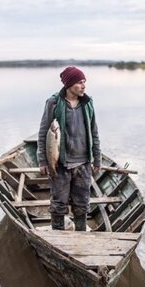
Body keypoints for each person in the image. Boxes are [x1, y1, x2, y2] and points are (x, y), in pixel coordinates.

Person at [37, 66, 101, 231]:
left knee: (82, 205)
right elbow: (44, 132)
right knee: (58, 205)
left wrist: (97, 158)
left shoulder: (88, 103)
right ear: (70, 84)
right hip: (61, 164)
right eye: (80, 82)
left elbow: (94, 132)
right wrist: (43, 160)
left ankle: (81, 235)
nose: (83, 86)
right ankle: (57, 237)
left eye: (84, 82)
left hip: (83, 163)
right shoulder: (53, 103)